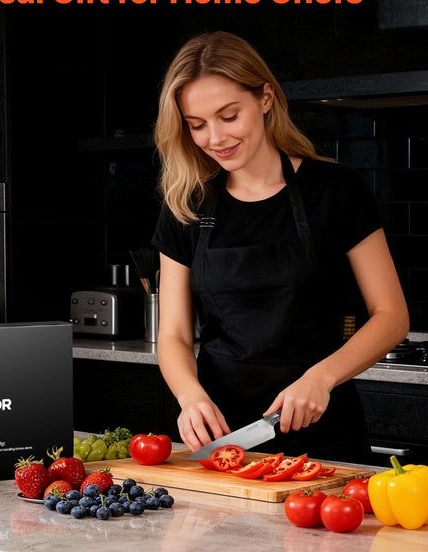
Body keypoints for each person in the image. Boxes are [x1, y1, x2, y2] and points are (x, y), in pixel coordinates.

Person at [151, 31, 409, 463]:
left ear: (265, 98)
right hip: (224, 440)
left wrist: (322, 378)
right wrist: (190, 396)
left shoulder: (336, 190)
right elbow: (174, 334)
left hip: (326, 434)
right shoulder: (188, 203)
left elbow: (392, 316)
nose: (215, 138)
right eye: (197, 125)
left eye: (229, 116)